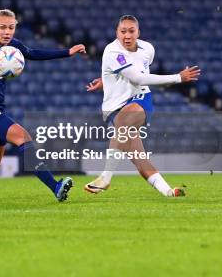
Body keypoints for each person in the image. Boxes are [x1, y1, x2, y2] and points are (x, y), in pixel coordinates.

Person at [0, 9, 85, 202]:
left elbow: (32, 53)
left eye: (11, 27)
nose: (7, 32)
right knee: (23, 136)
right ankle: (55, 186)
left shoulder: (13, 45)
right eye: (2, 27)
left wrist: (67, 52)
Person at [85, 15, 200, 196]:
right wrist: (178, 77)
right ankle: (169, 192)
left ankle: (105, 178)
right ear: (117, 33)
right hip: (114, 108)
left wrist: (112, 78)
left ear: (138, 32)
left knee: (124, 121)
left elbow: (140, 74)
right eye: (123, 31)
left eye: (131, 31)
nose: (127, 35)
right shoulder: (112, 51)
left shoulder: (148, 49)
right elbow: (136, 76)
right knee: (139, 159)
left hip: (140, 100)